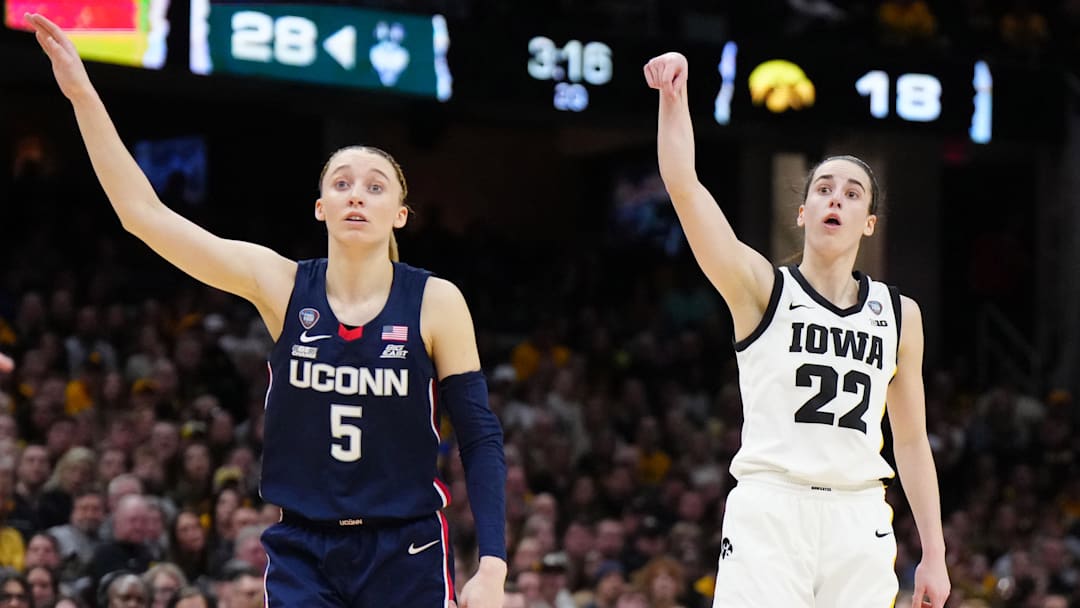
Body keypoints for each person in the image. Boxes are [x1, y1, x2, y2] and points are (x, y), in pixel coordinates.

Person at [27, 12, 507, 608]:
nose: (357, 192)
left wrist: (492, 565)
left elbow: (480, 437)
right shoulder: (279, 284)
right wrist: (82, 94)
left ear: (401, 215)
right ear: (320, 208)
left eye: (376, 185)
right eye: (342, 182)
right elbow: (142, 216)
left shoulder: (437, 301)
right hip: (305, 547)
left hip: (405, 549)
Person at [643, 51, 950, 608]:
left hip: (859, 516)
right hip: (771, 508)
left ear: (869, 222)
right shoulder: (761, 288)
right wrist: (673, 101)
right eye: (824, 188)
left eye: (852, 193)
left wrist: (934, 551)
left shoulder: (900, 314)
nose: (837, 197)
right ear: (804, 211)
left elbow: (909, 439)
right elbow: (685, 187)